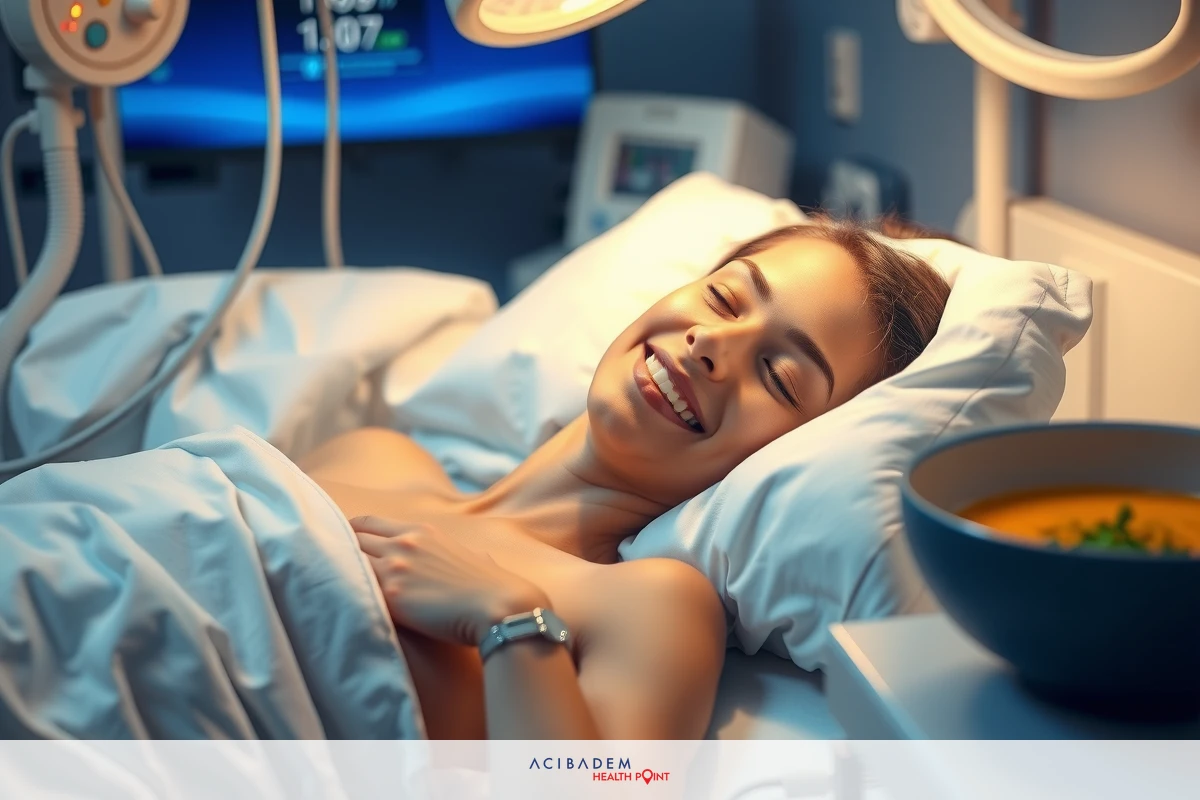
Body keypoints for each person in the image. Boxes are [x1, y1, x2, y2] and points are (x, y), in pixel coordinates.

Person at [298, 216, 952, 740]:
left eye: (779, 375)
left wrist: (510, 624)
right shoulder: (372, 454)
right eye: (725, 298)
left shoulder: (648, 606)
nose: (710, 343)